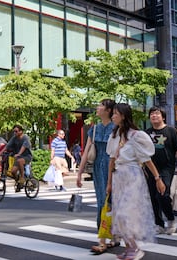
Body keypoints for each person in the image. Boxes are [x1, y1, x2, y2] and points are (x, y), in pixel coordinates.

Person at [106, 103, 165, 260]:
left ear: (123, 115)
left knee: (126, 214)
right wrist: (109, 183)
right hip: (119, 177)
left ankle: (136, 248)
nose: (112, 116)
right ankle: (130, 248)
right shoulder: (114, 136)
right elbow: (112, 160)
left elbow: (146, 160)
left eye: (115, 114)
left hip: (133, 177)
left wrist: (158, 178)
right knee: (119, 215)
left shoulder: (136, 135)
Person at [76, 99, 117, 253]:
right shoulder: (94, 129)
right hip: (99, 169)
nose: (97, 108)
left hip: (114, 169)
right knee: (102, 202)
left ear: (108, 110)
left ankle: (112, 236)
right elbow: (86, 151)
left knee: (114, 202)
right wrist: (79, 172)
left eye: (100, 106)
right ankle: (103, 239)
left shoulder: (117, 128)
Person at [145, 106, 177, 235]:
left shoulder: (171, 131)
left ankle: (171, 219)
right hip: (150, 168)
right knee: (153, 197)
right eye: (152, 114)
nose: (154, 116)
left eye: (157, 113)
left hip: (166, 168)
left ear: (163, 116)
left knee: (162, 195)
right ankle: (159, 224)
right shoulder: (146, 133)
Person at [1, 125, 32, 192]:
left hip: (26, 157)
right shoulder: (14, 138)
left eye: (16, 131)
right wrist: (0, 152)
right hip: (18, 157)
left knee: (20, 161)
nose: (15, 133)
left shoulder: (25, 138)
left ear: (21, 131)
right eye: (14, 131)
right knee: (13, 172)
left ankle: (22, 177)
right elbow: (7, 146)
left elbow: (24, 147)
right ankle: (18, 182)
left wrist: (19, 153)